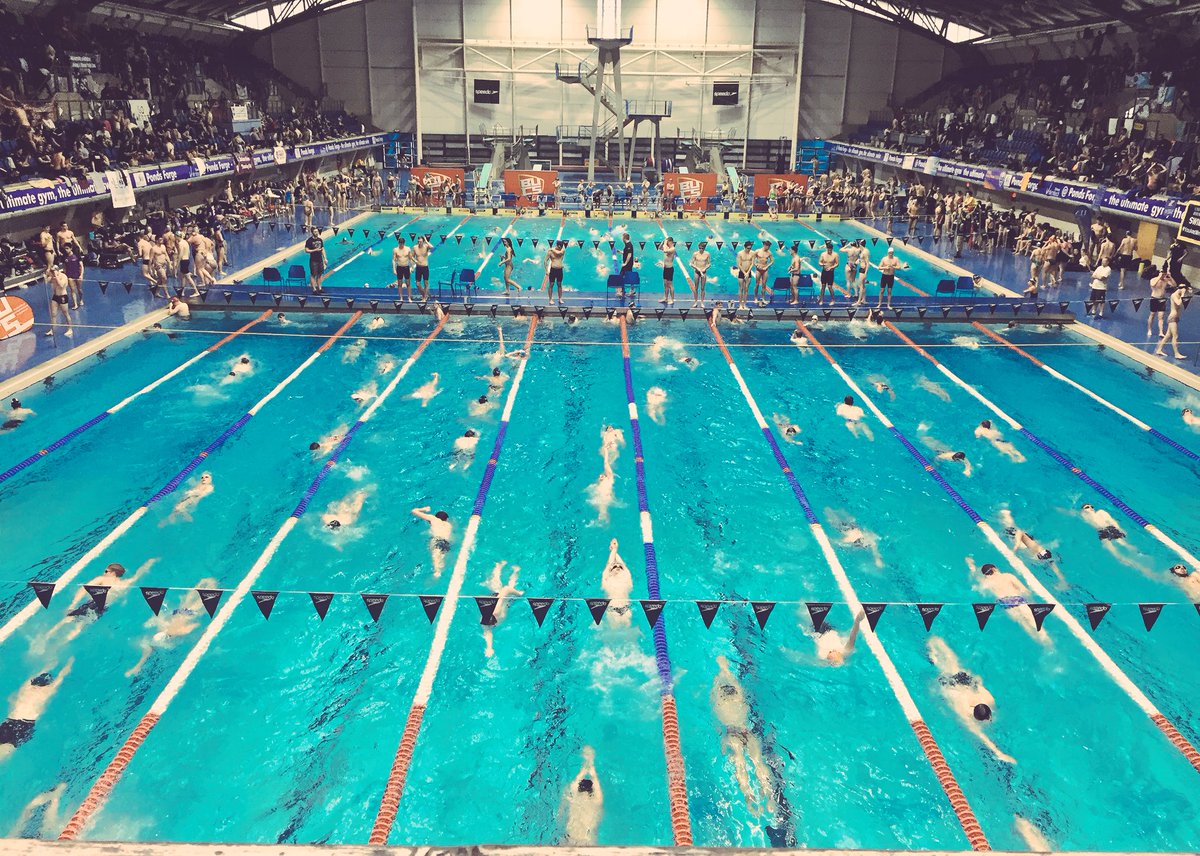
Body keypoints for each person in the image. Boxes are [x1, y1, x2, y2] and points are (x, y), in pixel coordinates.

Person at [927, 637, 1015, 764]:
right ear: (989, 715)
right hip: (952, 687)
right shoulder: (967, 711)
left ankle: (934, 643)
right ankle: (933, 647)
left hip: (962, 684)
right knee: (943, 667)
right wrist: (999, 753)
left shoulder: (987, 699)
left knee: (951, 665)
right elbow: (980, 735)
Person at [712, 655, 776, 816]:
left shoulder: (717, 701)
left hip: (732, 735)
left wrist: (722, 740)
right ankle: (770, 797)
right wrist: (725, 668)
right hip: (748, 732)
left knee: (740, 763)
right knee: (759, 763)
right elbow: (739, 688)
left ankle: (749, 799)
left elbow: (717, 725)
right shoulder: (739, 696)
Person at [41, 560, 157, 648]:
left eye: (106, 570)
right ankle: (62, 644)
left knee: (66, 620)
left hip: (93, 603)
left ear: (112, 572)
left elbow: (83, 589)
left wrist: (72, 604)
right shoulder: (126, 583)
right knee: (81, 626)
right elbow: (139, 574)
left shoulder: (102, 579)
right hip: (103, 608)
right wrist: (149, 562)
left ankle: (46, 637)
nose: (104, 572)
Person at [125, 583, 215, 678]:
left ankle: (207, 585)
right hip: (178, 613)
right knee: (190, 600)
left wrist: (202, 630)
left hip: (188, 614)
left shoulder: (178, 631)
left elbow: (195, 625)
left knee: (196, 604)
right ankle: (205, 584)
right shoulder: (165, 627)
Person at [0, 660, 74, 762]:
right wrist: (68, 665)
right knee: (7, 750)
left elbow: (11, 698)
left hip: (11, 721)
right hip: (24, 725)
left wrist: (51, 663)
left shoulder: (25, 689)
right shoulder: (46, 693)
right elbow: (60, 680)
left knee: (6, 749)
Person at [966, 556, 1049, 641]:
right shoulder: (1007, 576)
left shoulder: (986, 583)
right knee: (1037, 625)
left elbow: (975, 576)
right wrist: (1032, 602)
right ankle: (1048, 644)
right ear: (994, 569)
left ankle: (1041, 644)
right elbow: (1024, 590)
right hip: (1018, 602)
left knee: (1025, 626)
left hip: (1007, 606)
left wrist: (971, 565)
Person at [1079, 503, 1147, 572]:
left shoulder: (1100, 512)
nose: (1090, 508)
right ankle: (1121, 559)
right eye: (1087, 507)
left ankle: (1137, 553)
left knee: (1123, 543)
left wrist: (1119, 528)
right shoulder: (1085, 516)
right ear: (1083, 510)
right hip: (1101, 532)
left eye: (1092, 506)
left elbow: (1111, 520)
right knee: (1109, 547)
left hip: (1110, 529)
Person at [561, 746, 603, 845]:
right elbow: (597, 787)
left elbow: (573, 785)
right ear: (592, 792)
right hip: (587, 842)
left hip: (568, 839)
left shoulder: (573, 798)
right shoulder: (596, 802)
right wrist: (591, 765)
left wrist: (584, 767)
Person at [482, 560, 524, 658]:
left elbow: (506, 589)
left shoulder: (496, 610)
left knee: (501, 586)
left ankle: (500, 567)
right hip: (508, 602)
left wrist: (519, 594)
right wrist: (489, 647)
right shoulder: (487, 621)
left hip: (504, 600)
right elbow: (488, 632)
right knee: (504, 586)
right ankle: (503, 568)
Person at [412, 506, 453, 577]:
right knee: (442, 558)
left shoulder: (434, 519)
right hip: (447, 543)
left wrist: (424, 509)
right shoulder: (449, 525)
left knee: (435, 558)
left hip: (437, 540)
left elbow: (414, 511)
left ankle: (437, 572)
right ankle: (440, 571)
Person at [1154, 285, 1188, 361]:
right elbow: (1179, 303)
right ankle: (1176, 354)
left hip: (1175, 318)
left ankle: (1159, 350)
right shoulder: (1174, 295)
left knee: (1167, 336)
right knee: (1175, 336)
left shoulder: (1178, 295)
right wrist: (1182, 294)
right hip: (1172, 318)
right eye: (1183, 290)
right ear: (1180, 289)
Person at [44, 265, 73, 338]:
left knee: (65, 313)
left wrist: (56, 277)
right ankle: (53, 330)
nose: (52, 273)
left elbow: (61, 285)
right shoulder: (52, 277)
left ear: (57, 270)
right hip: (55, 296)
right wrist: (47, 275)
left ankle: (70, 329)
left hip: (62, 296)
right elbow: (46, 282)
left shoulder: (63, 276)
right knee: (53, 314)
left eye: (53, 271)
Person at [1148, 268, 1172, 341]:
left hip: (1162, 299)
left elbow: (1174, 285)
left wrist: (1170, 276)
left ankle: (1161, 332)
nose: (1163, 275)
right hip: (1154, 298)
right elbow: (1153, 284)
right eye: (1162, 273)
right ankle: (1149, 329)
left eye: (1164, 274)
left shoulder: (1165, 280)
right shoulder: (1153, 279)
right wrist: (1159, 277)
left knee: (1161, 317)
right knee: (1152, 315)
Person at [753, 240, 774, 306]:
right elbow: (753, 259)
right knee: (757, 284)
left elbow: (772, 261)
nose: (768, 248)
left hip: (765, 269)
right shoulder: (757, 251)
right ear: (764, 245)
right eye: (768, 246)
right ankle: (755, 298)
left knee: (764, 284)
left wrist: (767, 266)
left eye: (769, 246)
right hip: (758, 269)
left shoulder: (769, 253)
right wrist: (756, 265)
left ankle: (763, 298)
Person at [689, 242, 711, 308]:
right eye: (699, 248)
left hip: (703, 272)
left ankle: (702, 302)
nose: (701, 249)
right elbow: (691, 263)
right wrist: (696, 268)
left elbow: (709, 264)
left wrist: (705, 268)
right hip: (697, 272)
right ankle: (695, 302)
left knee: (702, 288)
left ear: (704, 248)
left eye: (702, 248)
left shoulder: (707, 254)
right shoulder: (695, 254)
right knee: (696, 288)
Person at [305, 227, 327, 293]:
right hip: (313, 260)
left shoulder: (320, 240)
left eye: (317, 231)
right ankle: (314, 289)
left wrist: (325, 258)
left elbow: (323, 249)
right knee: (313, 275)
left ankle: (320, 288)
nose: (316, 233)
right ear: (312, 232)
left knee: (320, 274)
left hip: (320, 260)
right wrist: (315, 250)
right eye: (315, 232)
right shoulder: (309, 241)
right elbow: (306, 250)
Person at [734, 242, 754, 309]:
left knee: (746, 289)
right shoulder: (740, 253)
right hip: (741, 272)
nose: (749, 249)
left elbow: (752, 264)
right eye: (748, 248)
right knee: (741, 288)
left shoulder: (752, 253)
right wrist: (744, 273)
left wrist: (748, 272)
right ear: (745, 247)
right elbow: (739, 264)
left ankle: (744, 304)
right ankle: (740, 304)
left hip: (748, 273)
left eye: (750, 248)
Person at [393, 235, 413, 300]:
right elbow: (393, 260)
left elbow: (410, 258)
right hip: (399, 267)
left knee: (408, 283)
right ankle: (401, 297)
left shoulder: (408, 249)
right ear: (398, 243)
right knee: (399, 283)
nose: (401, 245)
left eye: (402, 243)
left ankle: (409, 297)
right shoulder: (395, 250)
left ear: (404, 243)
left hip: (406, 267)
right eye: (400, 243)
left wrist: (412, 267)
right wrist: (394, 269)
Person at [413, 236, 432, 300]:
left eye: (420, 241)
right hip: (418, 268)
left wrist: (426, 241)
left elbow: (432, 247)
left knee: (426, 283)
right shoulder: (415, 247)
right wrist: (413, 263)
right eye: (418, 241)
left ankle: (424, 297)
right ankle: (425, 295)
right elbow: (411, 257)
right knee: (418, 284)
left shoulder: (426, 246)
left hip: (425, 267)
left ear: (423, 241)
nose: (419, 242)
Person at [660, 237, 676, 305]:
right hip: (665, 268)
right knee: (665, 284)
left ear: (671, 242)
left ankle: (672, 300)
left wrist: (665, 244)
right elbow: (660, 248)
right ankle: (665, 298)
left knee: (670, 285)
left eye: (667, 242)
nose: (667, 244)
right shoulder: (668, 247)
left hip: (670, 268)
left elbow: (665, 251)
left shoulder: (672, 249)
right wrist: (663, 242)